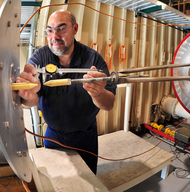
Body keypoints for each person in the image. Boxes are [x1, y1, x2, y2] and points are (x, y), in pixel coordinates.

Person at [16, 10, 116, 174]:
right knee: (56, 180)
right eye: (49, 30)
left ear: (75, 29)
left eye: (61, 29)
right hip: (53, 136)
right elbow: (31, 101)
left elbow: (109, 104)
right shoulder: (39, 58)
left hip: (85, 136)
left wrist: (98, 93)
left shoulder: (93, 59)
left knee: (88, 181)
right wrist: (28, 96)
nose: (54, 36)